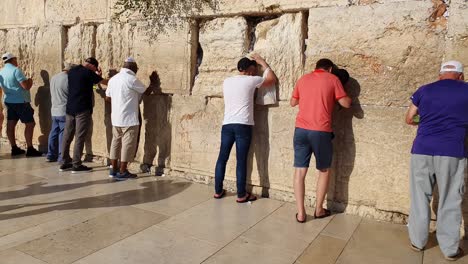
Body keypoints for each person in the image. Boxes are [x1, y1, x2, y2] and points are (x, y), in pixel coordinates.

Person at [406, 60, 467, 261]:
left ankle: (418, 241)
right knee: (450, 197)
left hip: (422, 149)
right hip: (452, 151)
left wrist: (424, 120)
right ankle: (449, 249)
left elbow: (409, 118)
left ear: (440, 75)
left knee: (419, 195)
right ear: (461, 75)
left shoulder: (424, 90)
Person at [290, 59, 352, 223]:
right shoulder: (333, 79)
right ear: (330, 69)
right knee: (324, 170)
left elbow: (293, 102)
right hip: (321, 131)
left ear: (316, 68)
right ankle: (318, 210)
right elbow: (345, 103)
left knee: (299, 171)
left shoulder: (303, 79)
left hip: (300, 130)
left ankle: (301, 213)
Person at [213, 54, 277, 202]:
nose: (255, 73)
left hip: (227, 124)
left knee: (222, 158)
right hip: (243, 124)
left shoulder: (227, 81)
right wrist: (262, 62)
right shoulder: (251, 80)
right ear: (248, 70)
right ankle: (241, 194)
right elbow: (272, 79)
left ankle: (217, 191)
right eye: (253, 70)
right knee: (241, 160)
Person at [106, 57, 156, 180]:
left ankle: (113, 169)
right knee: (127, 144)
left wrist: (118, 101)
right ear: (133, 68)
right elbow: (147, 92)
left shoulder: (113, 80)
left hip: (116, 117)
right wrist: (152, 83)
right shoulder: (132, 79)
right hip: (129, 118)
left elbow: (107, 98)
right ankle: (123, 171)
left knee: (115, 142)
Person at [59, 57, 104, 173]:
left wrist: (95, 77)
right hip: (82, 109)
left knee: (67, 135)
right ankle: (76, 164)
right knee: (80, 136)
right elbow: (103, 82)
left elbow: (89, 85)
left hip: (70, 108)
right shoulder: (89, 73)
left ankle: (64, 162)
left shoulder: (72, 71)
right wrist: (99, 75)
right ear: (93, 66)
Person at [0, 53, 42, 157]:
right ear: (13, 59)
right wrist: (30, 81)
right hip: (21, 101)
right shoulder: (16, 70)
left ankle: (14, 148)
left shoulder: (1, 71)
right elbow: (26, 86)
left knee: (11, 124)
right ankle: (30, 148)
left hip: (9, 101)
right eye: (15, 59)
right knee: (30, 124)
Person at [46, 63, 76, 162]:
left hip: (54, 110)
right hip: (64, 110)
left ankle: (50, 154)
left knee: (54, 132)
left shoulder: (54, 77)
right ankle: (61, 156)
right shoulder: (69, 79)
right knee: (63, 134)